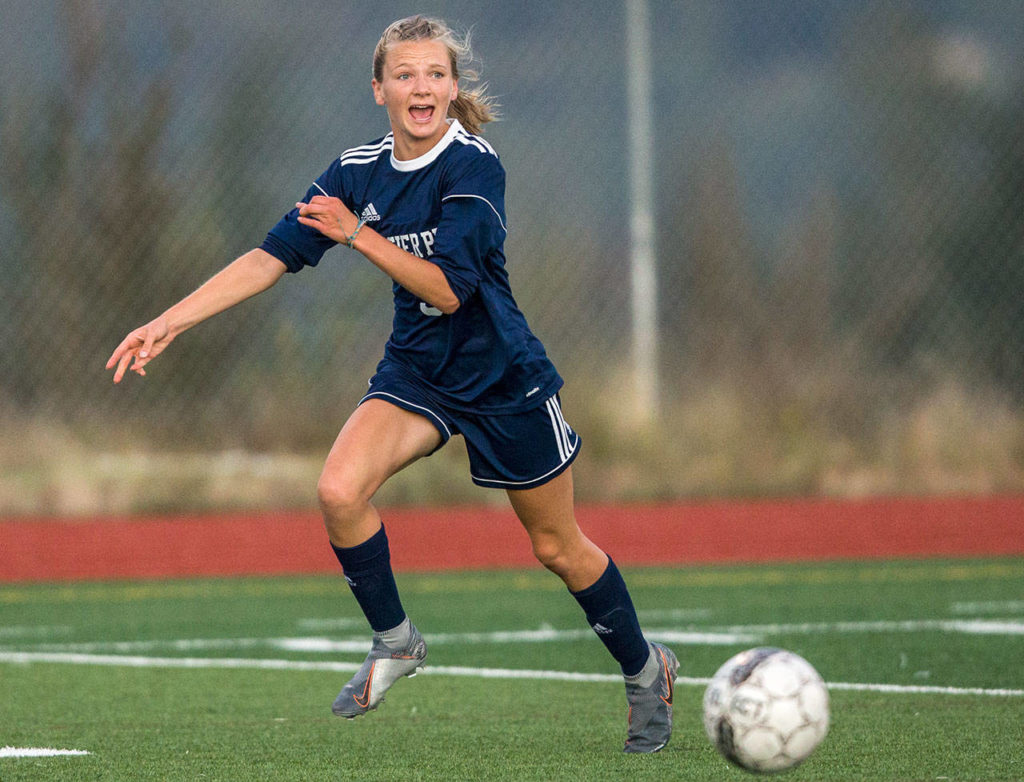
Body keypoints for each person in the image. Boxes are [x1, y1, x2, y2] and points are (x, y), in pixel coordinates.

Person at [106, 15, 678, 753]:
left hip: (502, 376)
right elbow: (269, 256)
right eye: (405, 74)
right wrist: (169, 322)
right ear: (378, 89)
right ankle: (397, 641)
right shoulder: (356, 171)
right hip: (417, 371)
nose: (422, 87)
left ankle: (643, 671)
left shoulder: (474, 165)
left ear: (452, 87)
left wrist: (356, 235)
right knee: (339, 490)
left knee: (558, 547)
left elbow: (447, 292)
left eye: (436, 74)